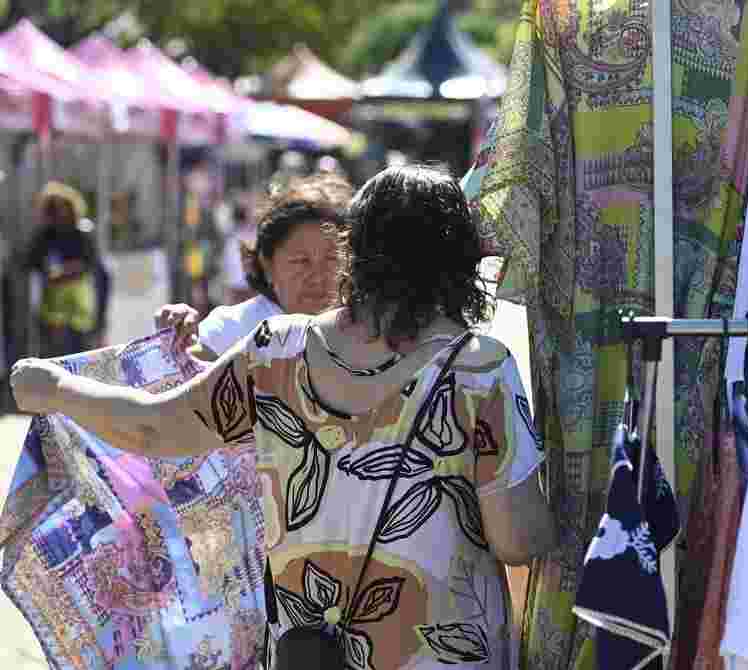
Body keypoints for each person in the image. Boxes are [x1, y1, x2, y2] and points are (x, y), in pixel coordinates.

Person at [12, 164, 557, 670]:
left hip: (311, 654)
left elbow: (153, 426)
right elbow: (518, 540)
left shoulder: (277, 350)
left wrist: (58, 388)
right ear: (459, 263)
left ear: (355, 250)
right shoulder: (481, 369)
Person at [155, 172, 354, 359]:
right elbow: (168, 381)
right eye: (301, 261)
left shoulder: (367, 331)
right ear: (267, 265)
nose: (318, 276)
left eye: (332, 258)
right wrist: (175, 347)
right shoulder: (231, 332)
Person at [24, 182, 110, 357]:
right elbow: (32, 263)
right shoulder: (44, 236)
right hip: (52, 313)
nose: (58, 213)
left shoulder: (83, 233)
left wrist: (70, 270)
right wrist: (51, 273)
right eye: (52, 208)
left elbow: (94, 267)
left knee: (80, 357)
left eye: (61, 207)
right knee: (53, 359)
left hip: (79, 311)